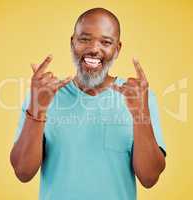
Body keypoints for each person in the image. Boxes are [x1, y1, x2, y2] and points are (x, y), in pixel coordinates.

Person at [10, 7, 166, 200]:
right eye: (84, 39)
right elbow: (23, 173)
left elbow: (150, 178)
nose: (94, 48)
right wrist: (37, 109)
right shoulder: (42, 95)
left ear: (117, 49)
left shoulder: (140, 97)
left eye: (106, 42)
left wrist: (140, 115)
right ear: (72, 42)